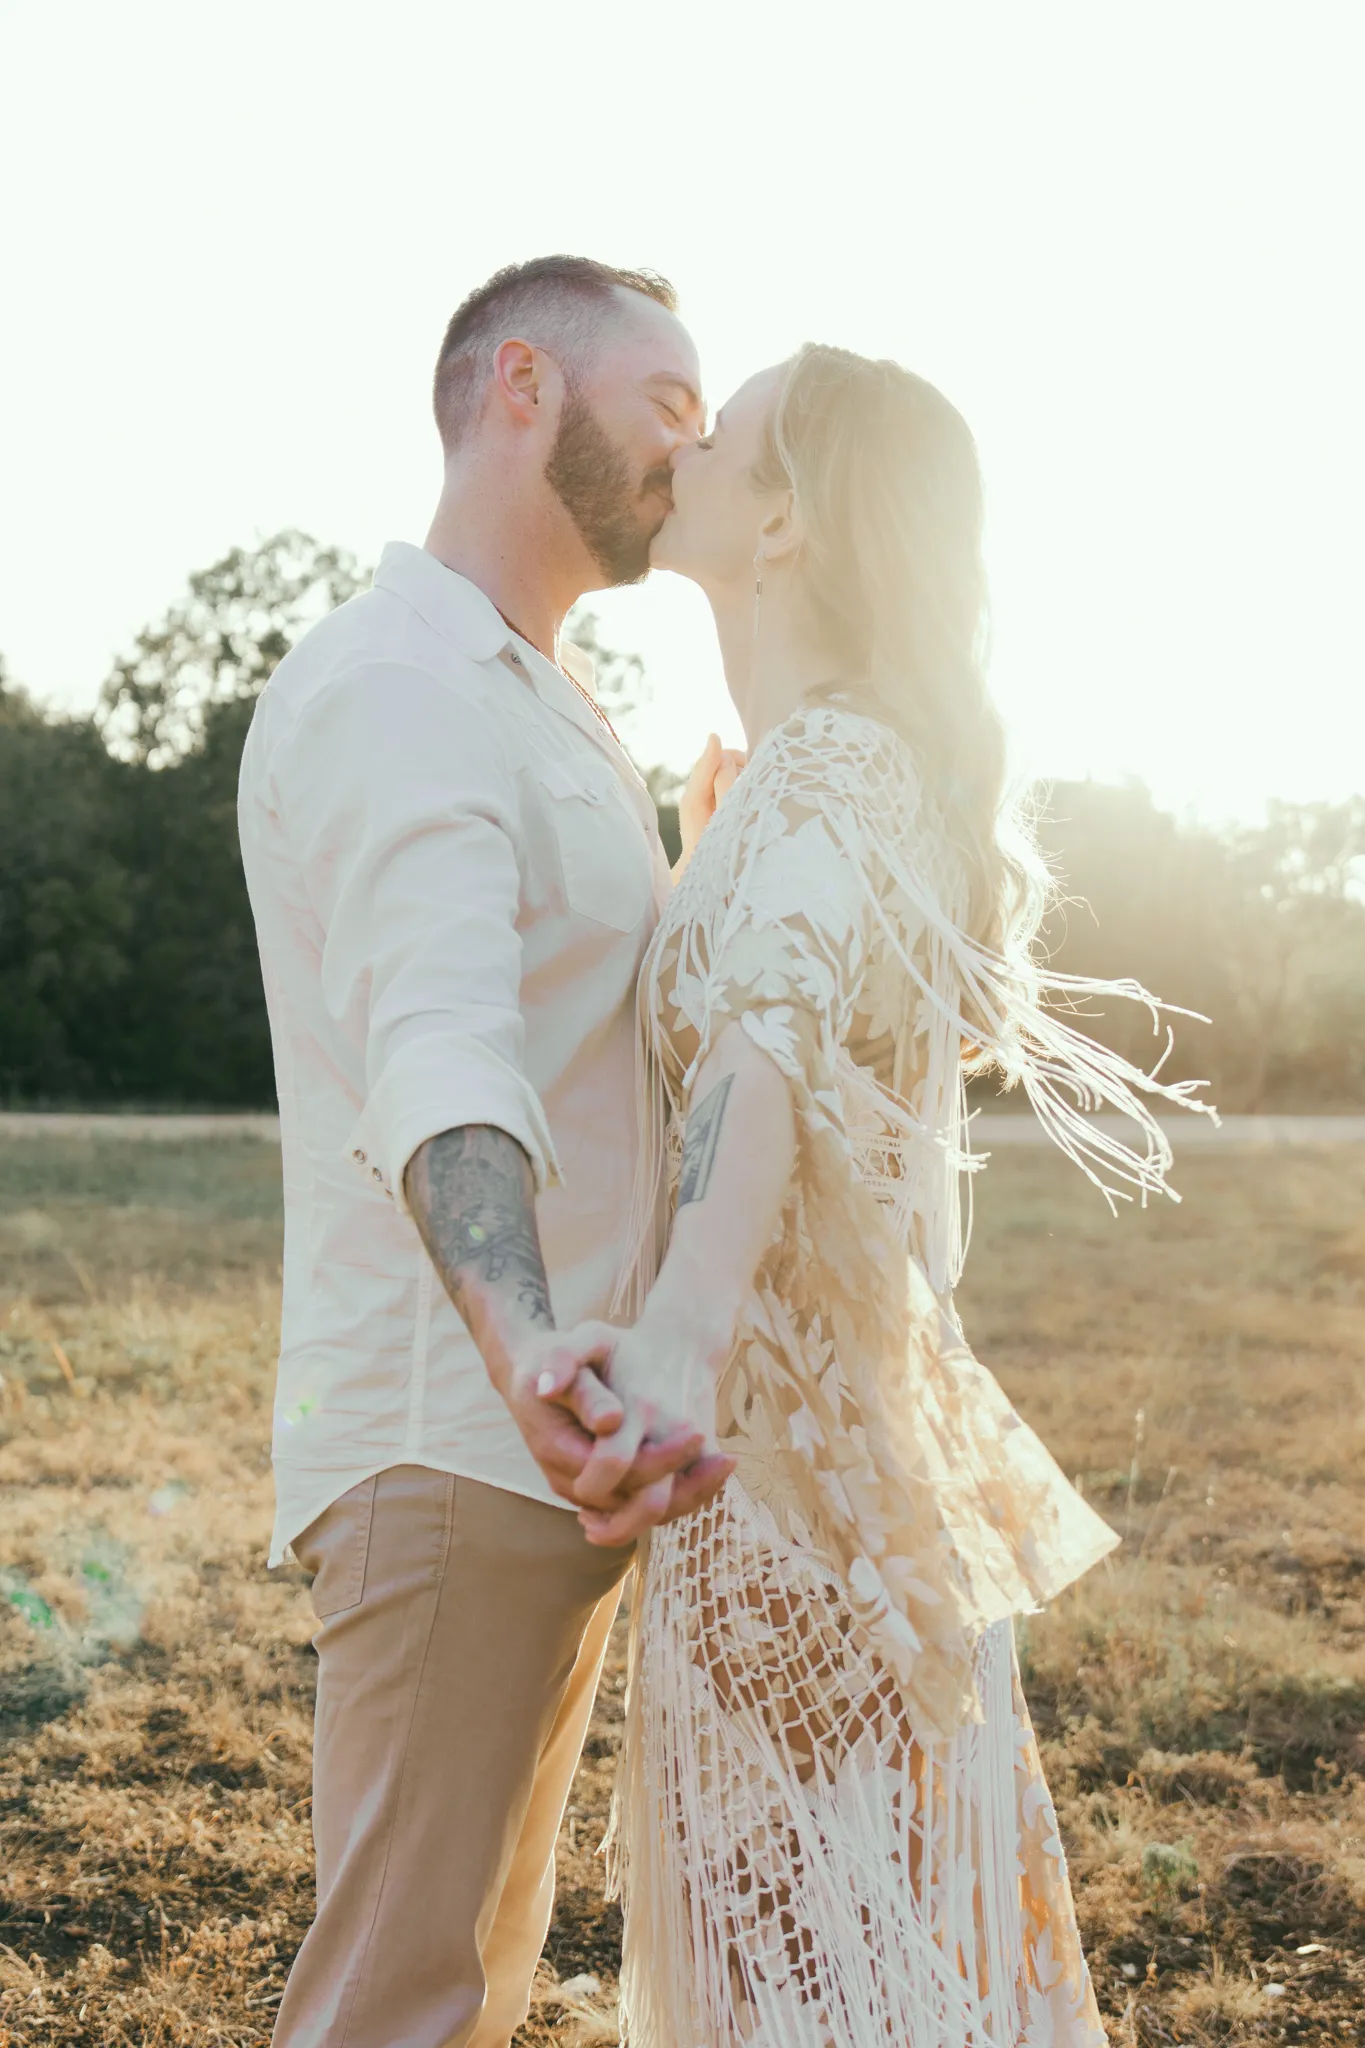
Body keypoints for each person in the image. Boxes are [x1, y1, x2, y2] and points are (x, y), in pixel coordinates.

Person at [571, 346, 1215, 2045]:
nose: (692, 438)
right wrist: (712, 853)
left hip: (792, 1509)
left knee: (807, 1987)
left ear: (787, 520)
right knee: (832, 1979)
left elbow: (765, 1042)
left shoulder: (839, 774)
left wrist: (685, 1332)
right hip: (819, 1486)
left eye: (737, 425)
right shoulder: (826, 777)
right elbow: (909, 1189)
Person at [237, 255, 734, 2048]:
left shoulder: (546, 697)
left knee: (470, 1988)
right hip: (462, 1439)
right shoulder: (398, 682)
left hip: (558, 1446)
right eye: (669, 403)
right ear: (523, 384)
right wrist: (527, 1342)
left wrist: (710, 861)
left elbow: (584, 1022)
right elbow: (438, 1040)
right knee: (398, 2006)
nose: (699, 442)